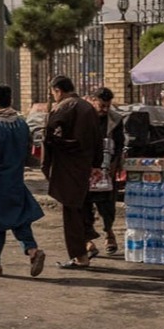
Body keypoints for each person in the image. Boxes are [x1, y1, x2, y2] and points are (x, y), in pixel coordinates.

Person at [0, 85, 45, 277]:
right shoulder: (21, 123)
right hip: (15, 179)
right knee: (19, 218)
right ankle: (32, 250)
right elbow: (28, 152)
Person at [40, 75, 103, 269]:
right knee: (82, 207)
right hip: (84, 166)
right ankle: (88, 243)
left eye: (53, 93)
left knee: (72, 212)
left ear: (58, 91)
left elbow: (48, 135)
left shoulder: (63, 107)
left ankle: (80, 256)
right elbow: (98, 138)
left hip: (67, 166)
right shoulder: (88, 107)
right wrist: (96, 164)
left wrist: (46, 165)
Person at [83, 87, 125, 258]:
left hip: (107, 169)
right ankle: (88, 240)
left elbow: (120, 144)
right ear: (93, 101)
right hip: (86, 169)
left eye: (108, 106)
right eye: (102, 105)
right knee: (85, 206)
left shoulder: (115, 120)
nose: (105, 109)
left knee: (107, 205)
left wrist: (115, 165)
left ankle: (109, 233)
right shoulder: (84, 118)